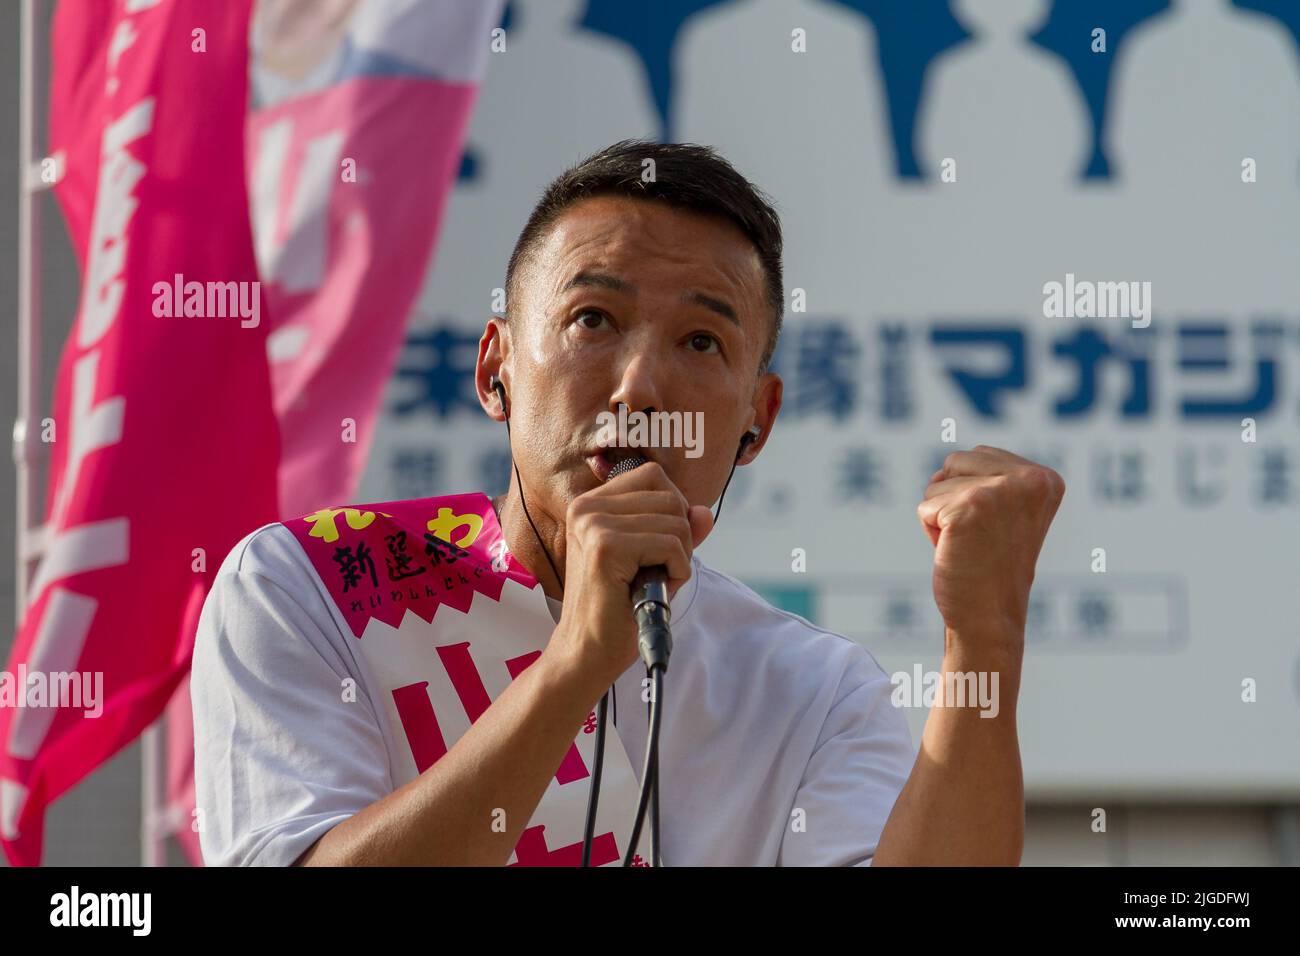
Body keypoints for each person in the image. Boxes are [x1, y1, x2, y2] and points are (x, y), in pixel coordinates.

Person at [191, 140, 1064, 866]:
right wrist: (575, 662)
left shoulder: (815, 691)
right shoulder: (308, 585)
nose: (643, 388)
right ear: (495, 368)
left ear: (757, 422)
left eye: (700, 339)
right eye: (592, 321)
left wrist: (982, 643)